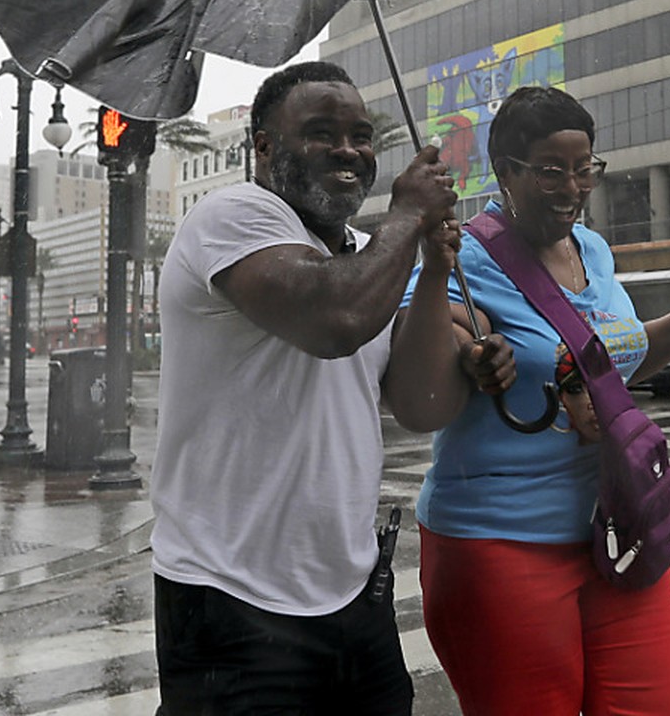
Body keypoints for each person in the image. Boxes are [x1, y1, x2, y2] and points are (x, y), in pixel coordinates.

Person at [150, 60, 511, 715]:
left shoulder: (365, 254)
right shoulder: (230, 217)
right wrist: (407, 217)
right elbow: (335, 320)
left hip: (353, 595)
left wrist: (434, 272)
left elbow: (420, 406)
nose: (348, 149)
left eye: (361, 134)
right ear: (261, 146)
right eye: (321, 132)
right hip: (232, 601)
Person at [397, 85, 670, 716]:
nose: (573, 188)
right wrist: (469, 351)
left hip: (616, 525)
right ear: (506, 171)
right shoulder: (459, 256)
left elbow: (613, 365)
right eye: (551, 172)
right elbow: (426, 364)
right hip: (500, 543)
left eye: (585, 170)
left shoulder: (596, 252)